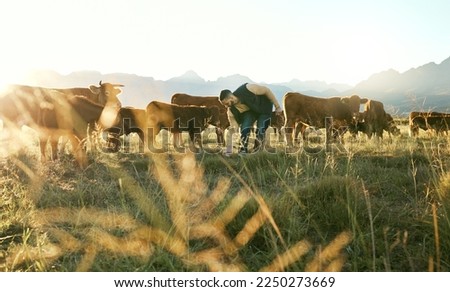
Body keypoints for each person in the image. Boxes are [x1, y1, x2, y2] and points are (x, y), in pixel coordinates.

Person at [219, 83, 283, 154]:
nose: (226, 106)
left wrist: (277, 106)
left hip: (264, 108)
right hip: (251, 112)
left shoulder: (248, 88)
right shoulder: (231, 110)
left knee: (261, 128)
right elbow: (234, 127)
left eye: (226, 103)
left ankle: (259, 151)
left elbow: (266, 90)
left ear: (230, 97)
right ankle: (243, 150)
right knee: (245, 128)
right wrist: (229, 147)